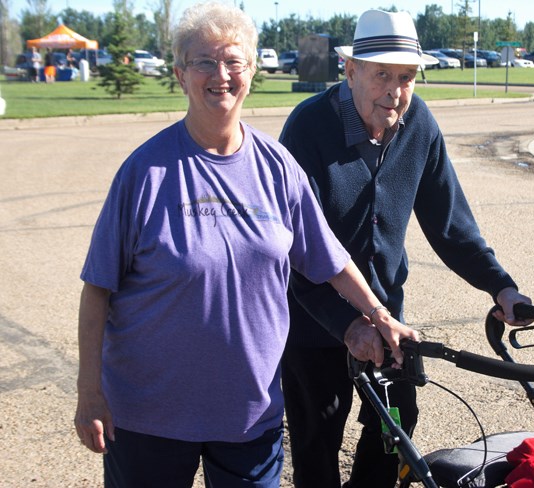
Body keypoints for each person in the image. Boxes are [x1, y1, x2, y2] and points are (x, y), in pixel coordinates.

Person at [73, 4, 418, 488]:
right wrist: (89, 392)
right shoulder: (143, 173)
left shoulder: (277, 167)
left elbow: (331, 261)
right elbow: (97, 290)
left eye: (234, 61)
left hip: (248, 416)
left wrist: (380, 316)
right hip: (151, 417)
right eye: (204, 62)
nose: (221, 75)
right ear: (180, 74)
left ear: (251, 70)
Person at [279, 9, 533, 488]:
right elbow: (295, 252)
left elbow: (451, 225)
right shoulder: (307, 129)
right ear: (350, 70)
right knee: (318, 438)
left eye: (406, 77)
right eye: (381, 76)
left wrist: (501, 288)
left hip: (387, 321)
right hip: (314, 322)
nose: (395, 91)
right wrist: (348, 324)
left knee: (397, 425)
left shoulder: (418, 124)